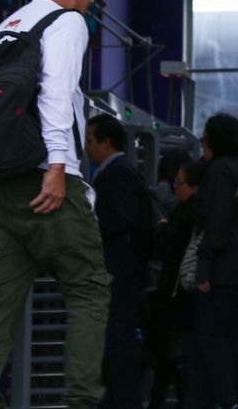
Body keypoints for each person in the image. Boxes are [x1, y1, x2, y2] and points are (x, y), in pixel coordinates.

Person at [0, 0, 109, 409]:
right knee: (89, 287)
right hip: (45, 179)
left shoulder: (7, 26)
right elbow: (55, 93)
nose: (89, 3)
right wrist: (56, 167)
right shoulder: (67, 22)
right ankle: (82, 400)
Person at [192, 113, 238, 409]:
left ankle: (227, 401)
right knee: (235, 340)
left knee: (213, 338)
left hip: (222, 268)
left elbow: (217, 222)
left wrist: (204, 265)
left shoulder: (220, 170)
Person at [84, 113, 146, 409]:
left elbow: (121, 219)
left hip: (117, 270)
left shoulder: (117, 172)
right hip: (121, 269)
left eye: (90, 140)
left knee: (116, 341)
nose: (86, 147)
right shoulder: (121, 170)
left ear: (105, 143)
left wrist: (86, 228)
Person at [147, 158, 202, 409]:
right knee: (176, 358)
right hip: (187, 295)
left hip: (174, 293)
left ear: (194, 187)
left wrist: (160, 228)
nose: (175, 187)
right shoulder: (200, 212)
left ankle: (165, 401)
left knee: (167, 356)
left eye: (179, 183)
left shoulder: (183, 214)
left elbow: (167, 248)